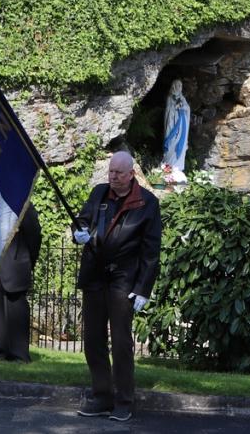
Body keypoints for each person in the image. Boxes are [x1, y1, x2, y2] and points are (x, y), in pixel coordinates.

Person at [73, 150, 162, 422]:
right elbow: (83, 220)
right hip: (95, 276)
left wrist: (144, 288)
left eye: (119, 173)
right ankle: (102, 396)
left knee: (121, 341)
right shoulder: (99, 193)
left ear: (131, 174)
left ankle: (124, 400)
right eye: (111, 172)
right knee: (93, 340)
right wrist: (79, 233)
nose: (113, 177)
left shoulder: (147, 203)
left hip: (123, 278)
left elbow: (150, 251)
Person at [0, 205, 42, 362]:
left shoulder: (22, 203)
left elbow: (34, 234)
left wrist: (28, 259)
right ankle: (0, 352)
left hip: (16, 262)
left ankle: (19, 354)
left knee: (17, 309)